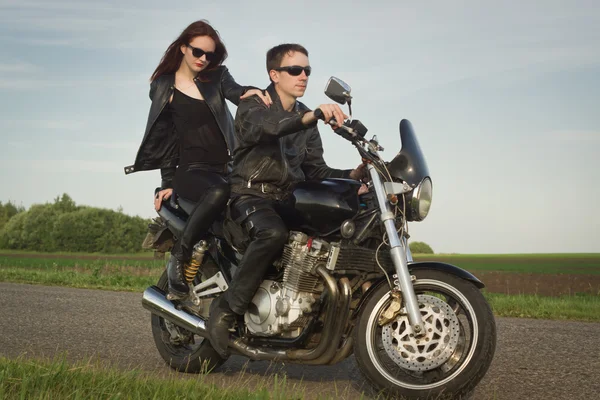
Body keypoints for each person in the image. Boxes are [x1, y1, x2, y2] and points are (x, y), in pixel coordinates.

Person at [207, 43, 367, 357]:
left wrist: (354, 174)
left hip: (286, 200)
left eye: (307, 70)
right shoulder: (255, 103)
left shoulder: (305, 119)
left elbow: (316, 170)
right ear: (274, 74)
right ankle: (227, 310)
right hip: (250, 195)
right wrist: (312, 116)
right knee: (273, 234)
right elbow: (270, 129)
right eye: (295, 70)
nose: (303, 75)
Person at [124, 20, 271, 298]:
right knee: (219, 191)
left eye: (210, 54)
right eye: (198, 52)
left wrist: (249, 93)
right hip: (191, 171)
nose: (204, 59)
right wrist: (167, 182)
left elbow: (236, 91)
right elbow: (166, 138)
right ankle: (180, 255)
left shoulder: (216, 76)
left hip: (228, 168)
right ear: (183, 48)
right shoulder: (163, 86)